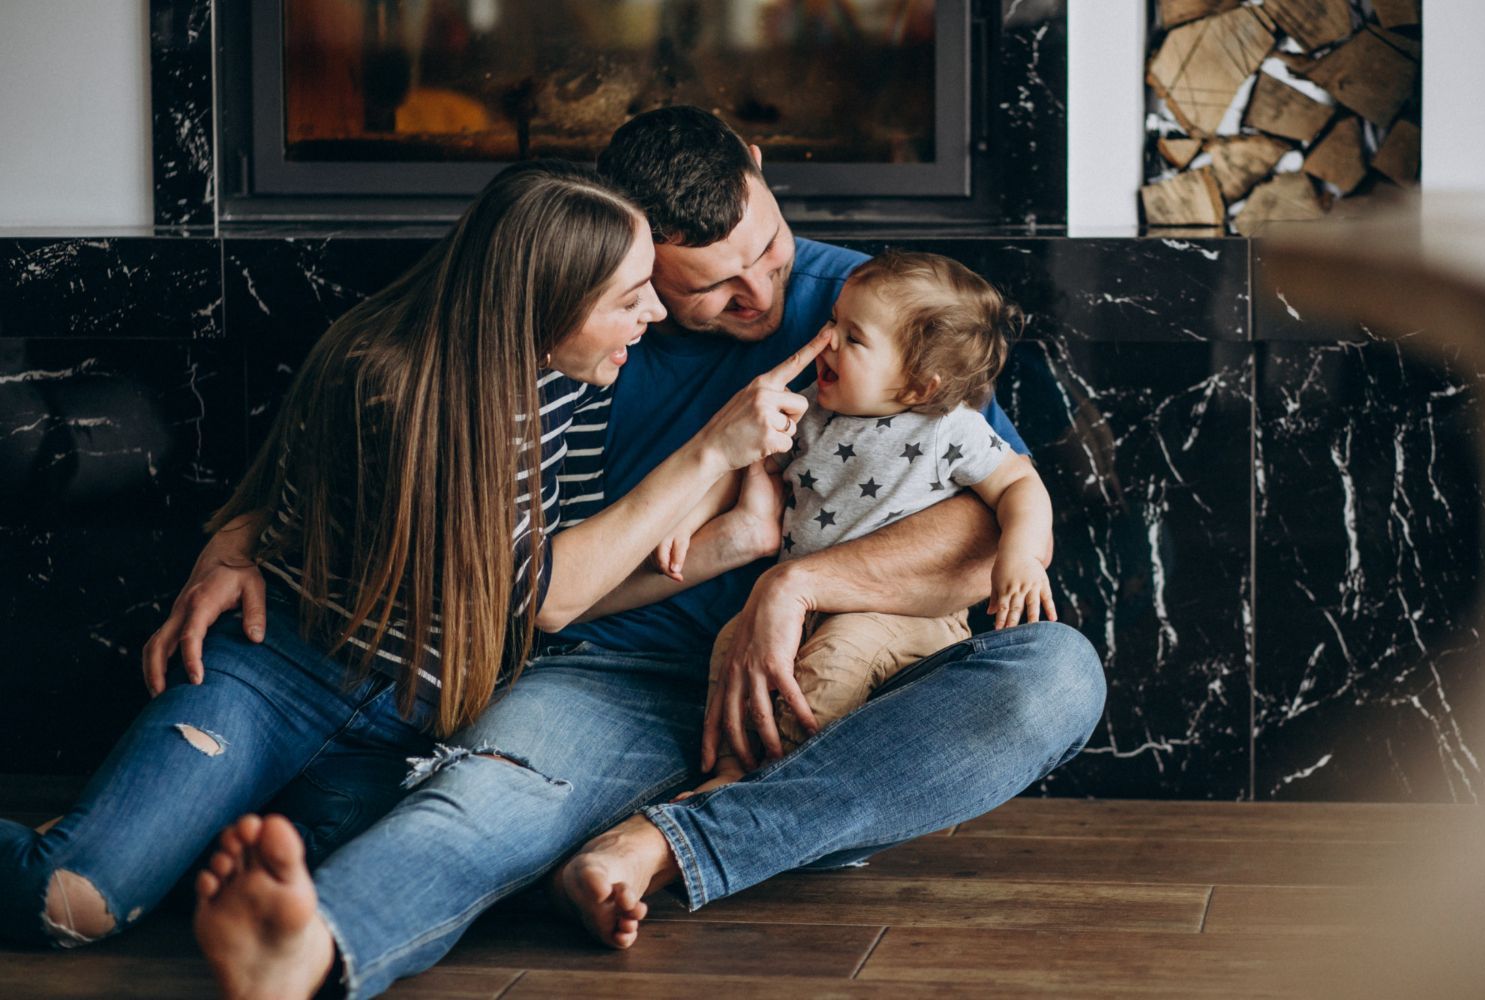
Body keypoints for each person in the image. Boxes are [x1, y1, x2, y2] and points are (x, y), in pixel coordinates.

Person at [186, 107, 1106, 1000]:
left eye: (767, 247)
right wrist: (242, 527)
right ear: (626, 246)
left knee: (1057, 673)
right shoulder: (566, 316)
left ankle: (660, 847)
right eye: (711, 286)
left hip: (832, 686)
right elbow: (379, 404)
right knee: (485, 799)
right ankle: (316, 946)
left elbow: (990, 526)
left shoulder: (877, 307)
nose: (765, 295)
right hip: (618, 675)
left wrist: (792, 586)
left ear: (756, 165)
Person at [0, 160, 811, 954]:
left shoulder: (573, 373)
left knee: (336, 884)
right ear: (543, 303)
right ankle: (112, 848)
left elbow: (518, 591)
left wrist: (727, 546)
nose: (655, 316)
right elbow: (549, 598)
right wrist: (708, 455)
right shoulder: (386, 381)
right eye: (630, 299)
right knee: (73, 904)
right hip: (279, 675)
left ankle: (149, 839)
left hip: (415, 724)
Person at [660, 249, 1059, 793]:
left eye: (854, 338)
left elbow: (1019, 484)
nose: (827, 342)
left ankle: (775, 788)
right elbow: (740, 463)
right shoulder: (809, 410)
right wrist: (687, 517)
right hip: (807, 606)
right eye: (832, 324)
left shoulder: (947, 428)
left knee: (835, 660)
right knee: (736, 639)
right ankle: (732, 769)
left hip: (903, 611)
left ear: (919, 385)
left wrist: (1022, 554)